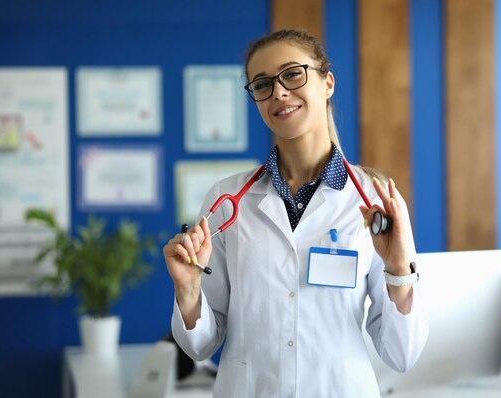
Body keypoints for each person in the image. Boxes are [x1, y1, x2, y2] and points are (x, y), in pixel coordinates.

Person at [163, 29, 428, 397]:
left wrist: (399, 271)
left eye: (292, 74)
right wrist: (189, 288)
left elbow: (402, 354)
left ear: (327, 83)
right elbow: (201, 346)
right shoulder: (226, 199)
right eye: (262, 84)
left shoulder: (374, 200)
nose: (279, 92)